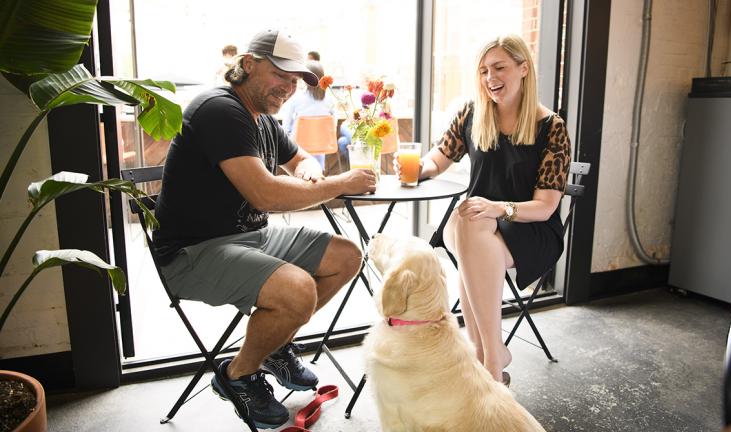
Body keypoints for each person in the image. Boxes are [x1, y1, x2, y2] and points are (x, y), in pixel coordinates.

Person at [153, 29, 376, 429]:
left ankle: (273, 346)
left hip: (250, 239)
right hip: (193, 253)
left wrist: (308, 168)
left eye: (294, 82)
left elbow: (300, 159)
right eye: (281, 76)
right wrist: (340, 184)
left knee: (347, 256)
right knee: (298, 289)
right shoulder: (220, 109)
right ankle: (238, 373)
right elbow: (265, 196)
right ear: (249, 64)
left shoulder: (263, 121)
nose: (288, 88)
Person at [397, 34, 571, 385]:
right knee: (469, 221)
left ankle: (485, 357)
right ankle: (493, 357)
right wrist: (420, 168)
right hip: (474, 222)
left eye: (499, 67)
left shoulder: (551, 127)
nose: (490, 77)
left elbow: (545, 207)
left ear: (523, 69)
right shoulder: (472, 114)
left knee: (472, 226)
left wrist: (497, 208)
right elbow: (439, 157)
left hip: (528, 226)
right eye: (483, 70)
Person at [280, 61, 335, 169]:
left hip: (299, 147)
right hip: (322, 145)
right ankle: (320, 171)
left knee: (292, 130)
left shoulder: (296, 97)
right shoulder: (330, 99)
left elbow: (285, 126)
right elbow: (334, 123)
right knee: (318, 137)